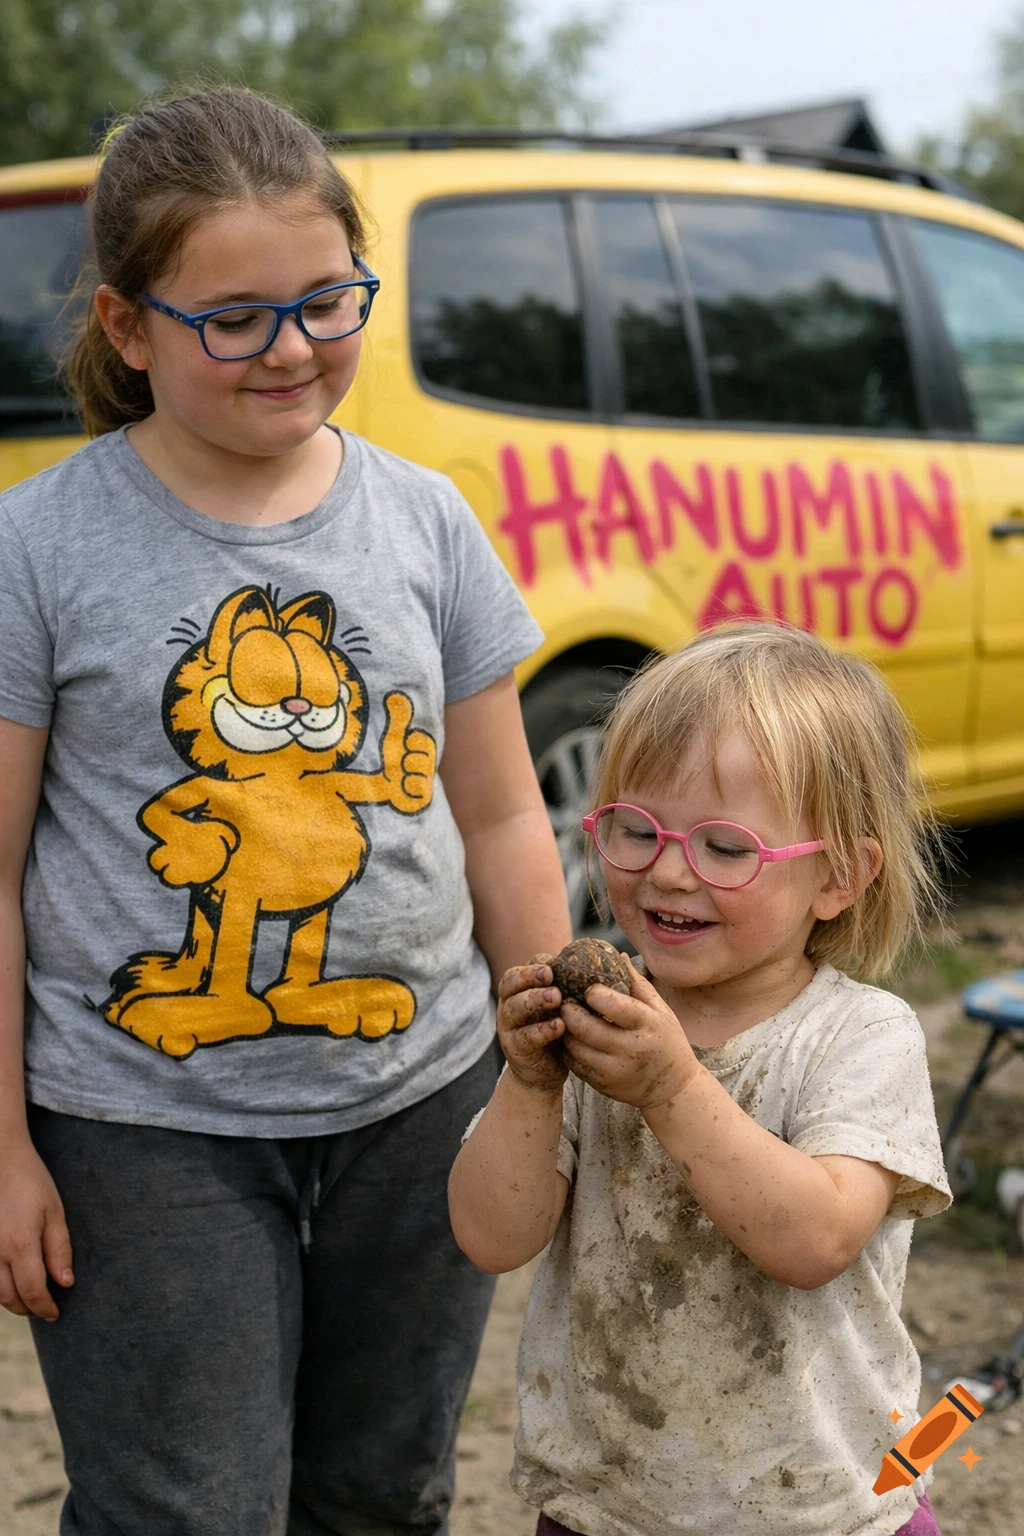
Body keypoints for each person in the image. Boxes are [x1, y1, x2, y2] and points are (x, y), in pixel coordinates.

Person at [0, 87, 570, 1536]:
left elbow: (505, 817)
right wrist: (1, 1151)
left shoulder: (427, 519)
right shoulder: (38, 547)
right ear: (129, 326)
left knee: (383, 1495)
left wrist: (547, 1064)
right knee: (187, 1512)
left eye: (327, 301)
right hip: (137, 1129)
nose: (294, 348)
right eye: (235, 316)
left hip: (422, 1106)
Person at [451, 624, 953, 1536]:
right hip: (608, 1507)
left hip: (820, 1510)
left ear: (839, 876)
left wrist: (673, 1091)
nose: (670, 870)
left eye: (726, 849)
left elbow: (814, 1242)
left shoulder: (859, 1037)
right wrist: (527, 1083)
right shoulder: (601, 1029)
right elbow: (490, 1237)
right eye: (636, 830)